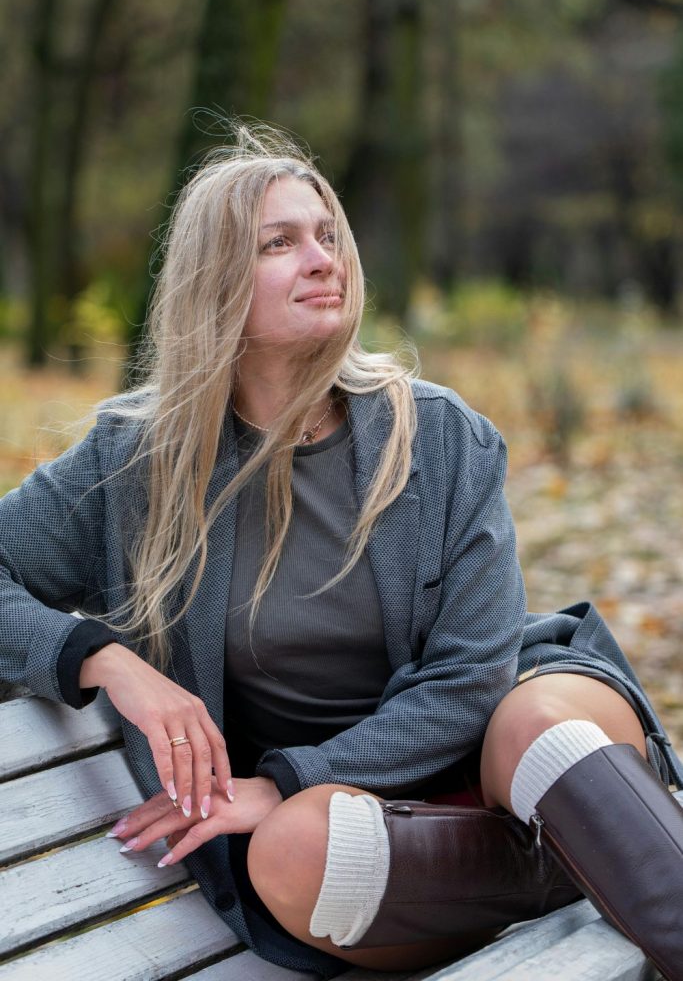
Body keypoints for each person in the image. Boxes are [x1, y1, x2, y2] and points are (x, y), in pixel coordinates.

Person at [1, 124, 682, 981]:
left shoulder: (437, 434)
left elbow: (471, 678)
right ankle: (596, 854)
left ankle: (599, 840)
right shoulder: (136, 463)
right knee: (287, 854)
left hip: (512, 742)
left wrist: (283, 780)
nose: (323, 259)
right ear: (213, 279)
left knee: (533, 723)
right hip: (365, 827)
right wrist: (104, 660)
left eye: (328, 236)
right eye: (279, 243)